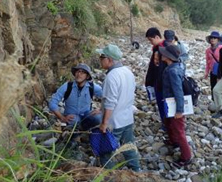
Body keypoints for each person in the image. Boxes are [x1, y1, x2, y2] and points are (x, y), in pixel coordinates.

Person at [96, 44, 141, 172]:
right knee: (129, 147)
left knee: (105, 152)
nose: (100, 59)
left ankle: (109, 175)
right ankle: (136, 171)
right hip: (127, 118)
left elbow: (110, 102)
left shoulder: (111, 77)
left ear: (109, 60)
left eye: (102, 57)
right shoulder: (128, 72)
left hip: (114, 121)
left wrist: (104, 123)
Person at [159, 44, 192, 168]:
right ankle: (174, 141)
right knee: (168, 123)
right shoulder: (178, 65)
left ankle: (186, 156)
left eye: (164, 53)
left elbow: (178, 91)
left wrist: (179, 110)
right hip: (169, 101)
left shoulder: (172, 70)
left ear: (168, 57)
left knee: (179, 129)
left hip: (174, 103)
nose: (162, 54)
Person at [49, 63, 102, 131]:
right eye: (78, 71)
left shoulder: (92, 87)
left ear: (87, 76)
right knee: (74, 121)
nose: (79, 74)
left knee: (98, 118)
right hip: (72, 116)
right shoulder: (67, 86)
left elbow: (107, 96)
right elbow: (53, 102)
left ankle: (83, 130)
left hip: (86, 114)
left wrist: (101, 109)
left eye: (82, 72)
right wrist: (62, 118)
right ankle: (77, 133)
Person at [145, 27, 167, 130]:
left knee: (164, 103)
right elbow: (153, 66)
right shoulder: (156, 48)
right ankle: (164, 122)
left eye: (151, 40)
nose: (150, 42)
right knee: (160, 102)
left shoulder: (164, 48)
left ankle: (167, 124)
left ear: (157, 37)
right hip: (157, 82)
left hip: (163, 83)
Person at [204, 31, 222, 111]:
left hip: (221, 71)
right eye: (211, 38)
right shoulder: (208, 50)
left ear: (218, 39)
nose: (213, 39)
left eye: (214, 38)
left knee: (221, 88)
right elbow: (207, 62)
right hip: (213, 71)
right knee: (213, 87)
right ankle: (215, 104)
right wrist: (206, 72)